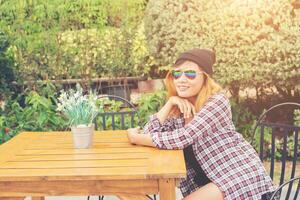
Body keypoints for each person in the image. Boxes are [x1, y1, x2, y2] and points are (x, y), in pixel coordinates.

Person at [127, 48, 277, 200]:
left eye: (190, 74)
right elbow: (148, 133)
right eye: (177, 74)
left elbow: (184, 137)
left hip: (237, 174)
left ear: (205, 78)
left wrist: (135, 138)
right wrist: (169, 104)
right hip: (207, 183)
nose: (182, 79)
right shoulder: (179, 108)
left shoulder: (217, 101)